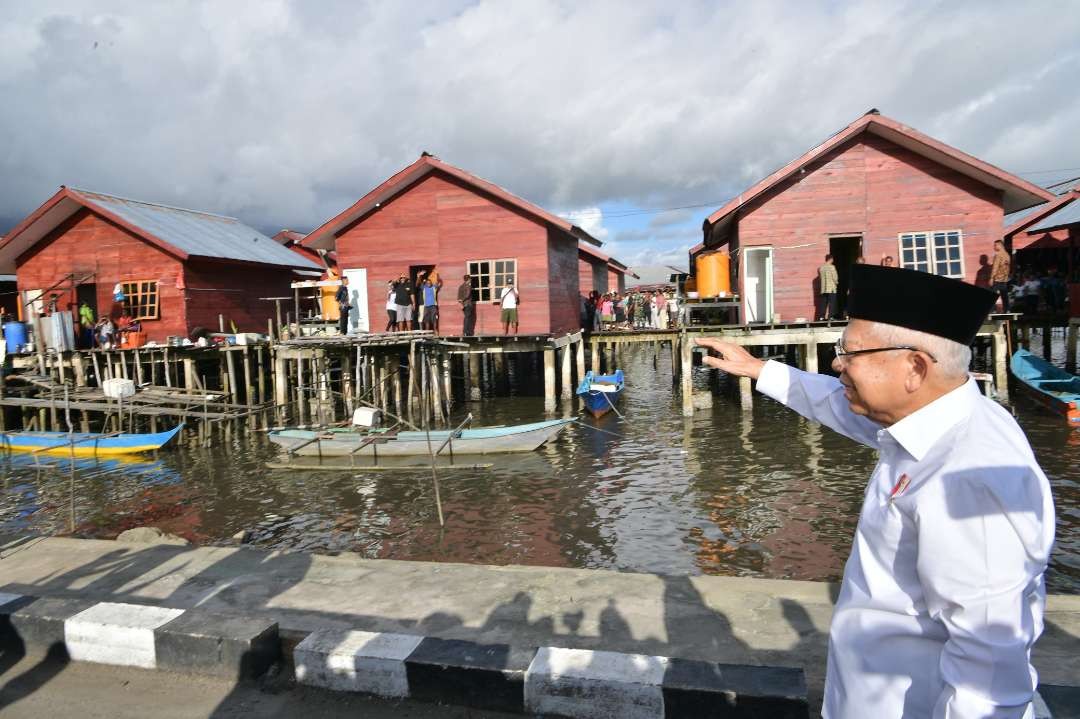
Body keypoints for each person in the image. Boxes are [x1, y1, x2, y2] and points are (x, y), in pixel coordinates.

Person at [695, 264, 1054, 719]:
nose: (836, 363)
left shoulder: (970, 477)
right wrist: (759, 369)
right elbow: (834, 403)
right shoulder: (929, 419)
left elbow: (988, 677)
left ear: (914, 367)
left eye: (850, 352)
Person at [990, 240, 1011, 312]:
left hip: (997, 278)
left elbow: (995, 267)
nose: (994, 247)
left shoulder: (998, 255)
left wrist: (991, 278)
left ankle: (992, 310)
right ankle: (1007, 309)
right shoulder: (1007, 255)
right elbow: (1008, 268)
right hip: (1004, 279)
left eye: (995, 245)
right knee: (1004, 295)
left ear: (1000, 245)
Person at [818, 254, 838, 320]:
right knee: (832, 302)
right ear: (831, 259)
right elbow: (835, 278)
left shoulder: (821, 268)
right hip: (831, 288)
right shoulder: (832, 267)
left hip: (823, 288)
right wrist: (836, 283)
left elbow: (820, 278)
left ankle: (821, 317)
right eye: (832, 259)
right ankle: (830, 316)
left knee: (823, 303)